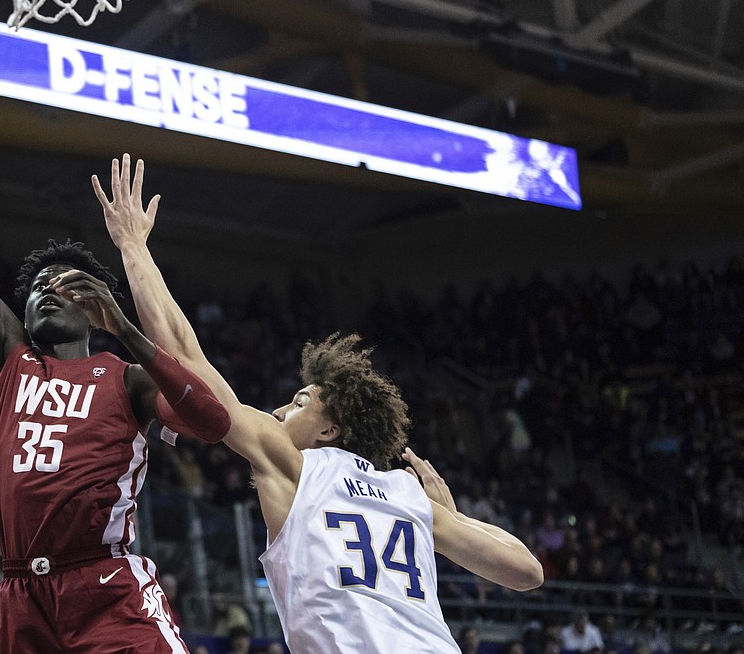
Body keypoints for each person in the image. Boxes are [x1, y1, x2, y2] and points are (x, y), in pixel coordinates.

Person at [0, 0, 232, 653]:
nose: (44, 290)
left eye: (62, 283)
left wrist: (128, 330)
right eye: (35, 284)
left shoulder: (126, 377)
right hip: (22, 599)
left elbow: (214, 422)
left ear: (93, 304)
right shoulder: (6, 357)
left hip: (108, 590)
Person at [85, 155, 544, 654]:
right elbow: (526, 571)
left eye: (300, 402)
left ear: (330, 430)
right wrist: (449, 517)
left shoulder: (295, 466)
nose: (281, 411)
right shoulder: (409, 497)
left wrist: (132, 247)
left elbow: (185, 358)